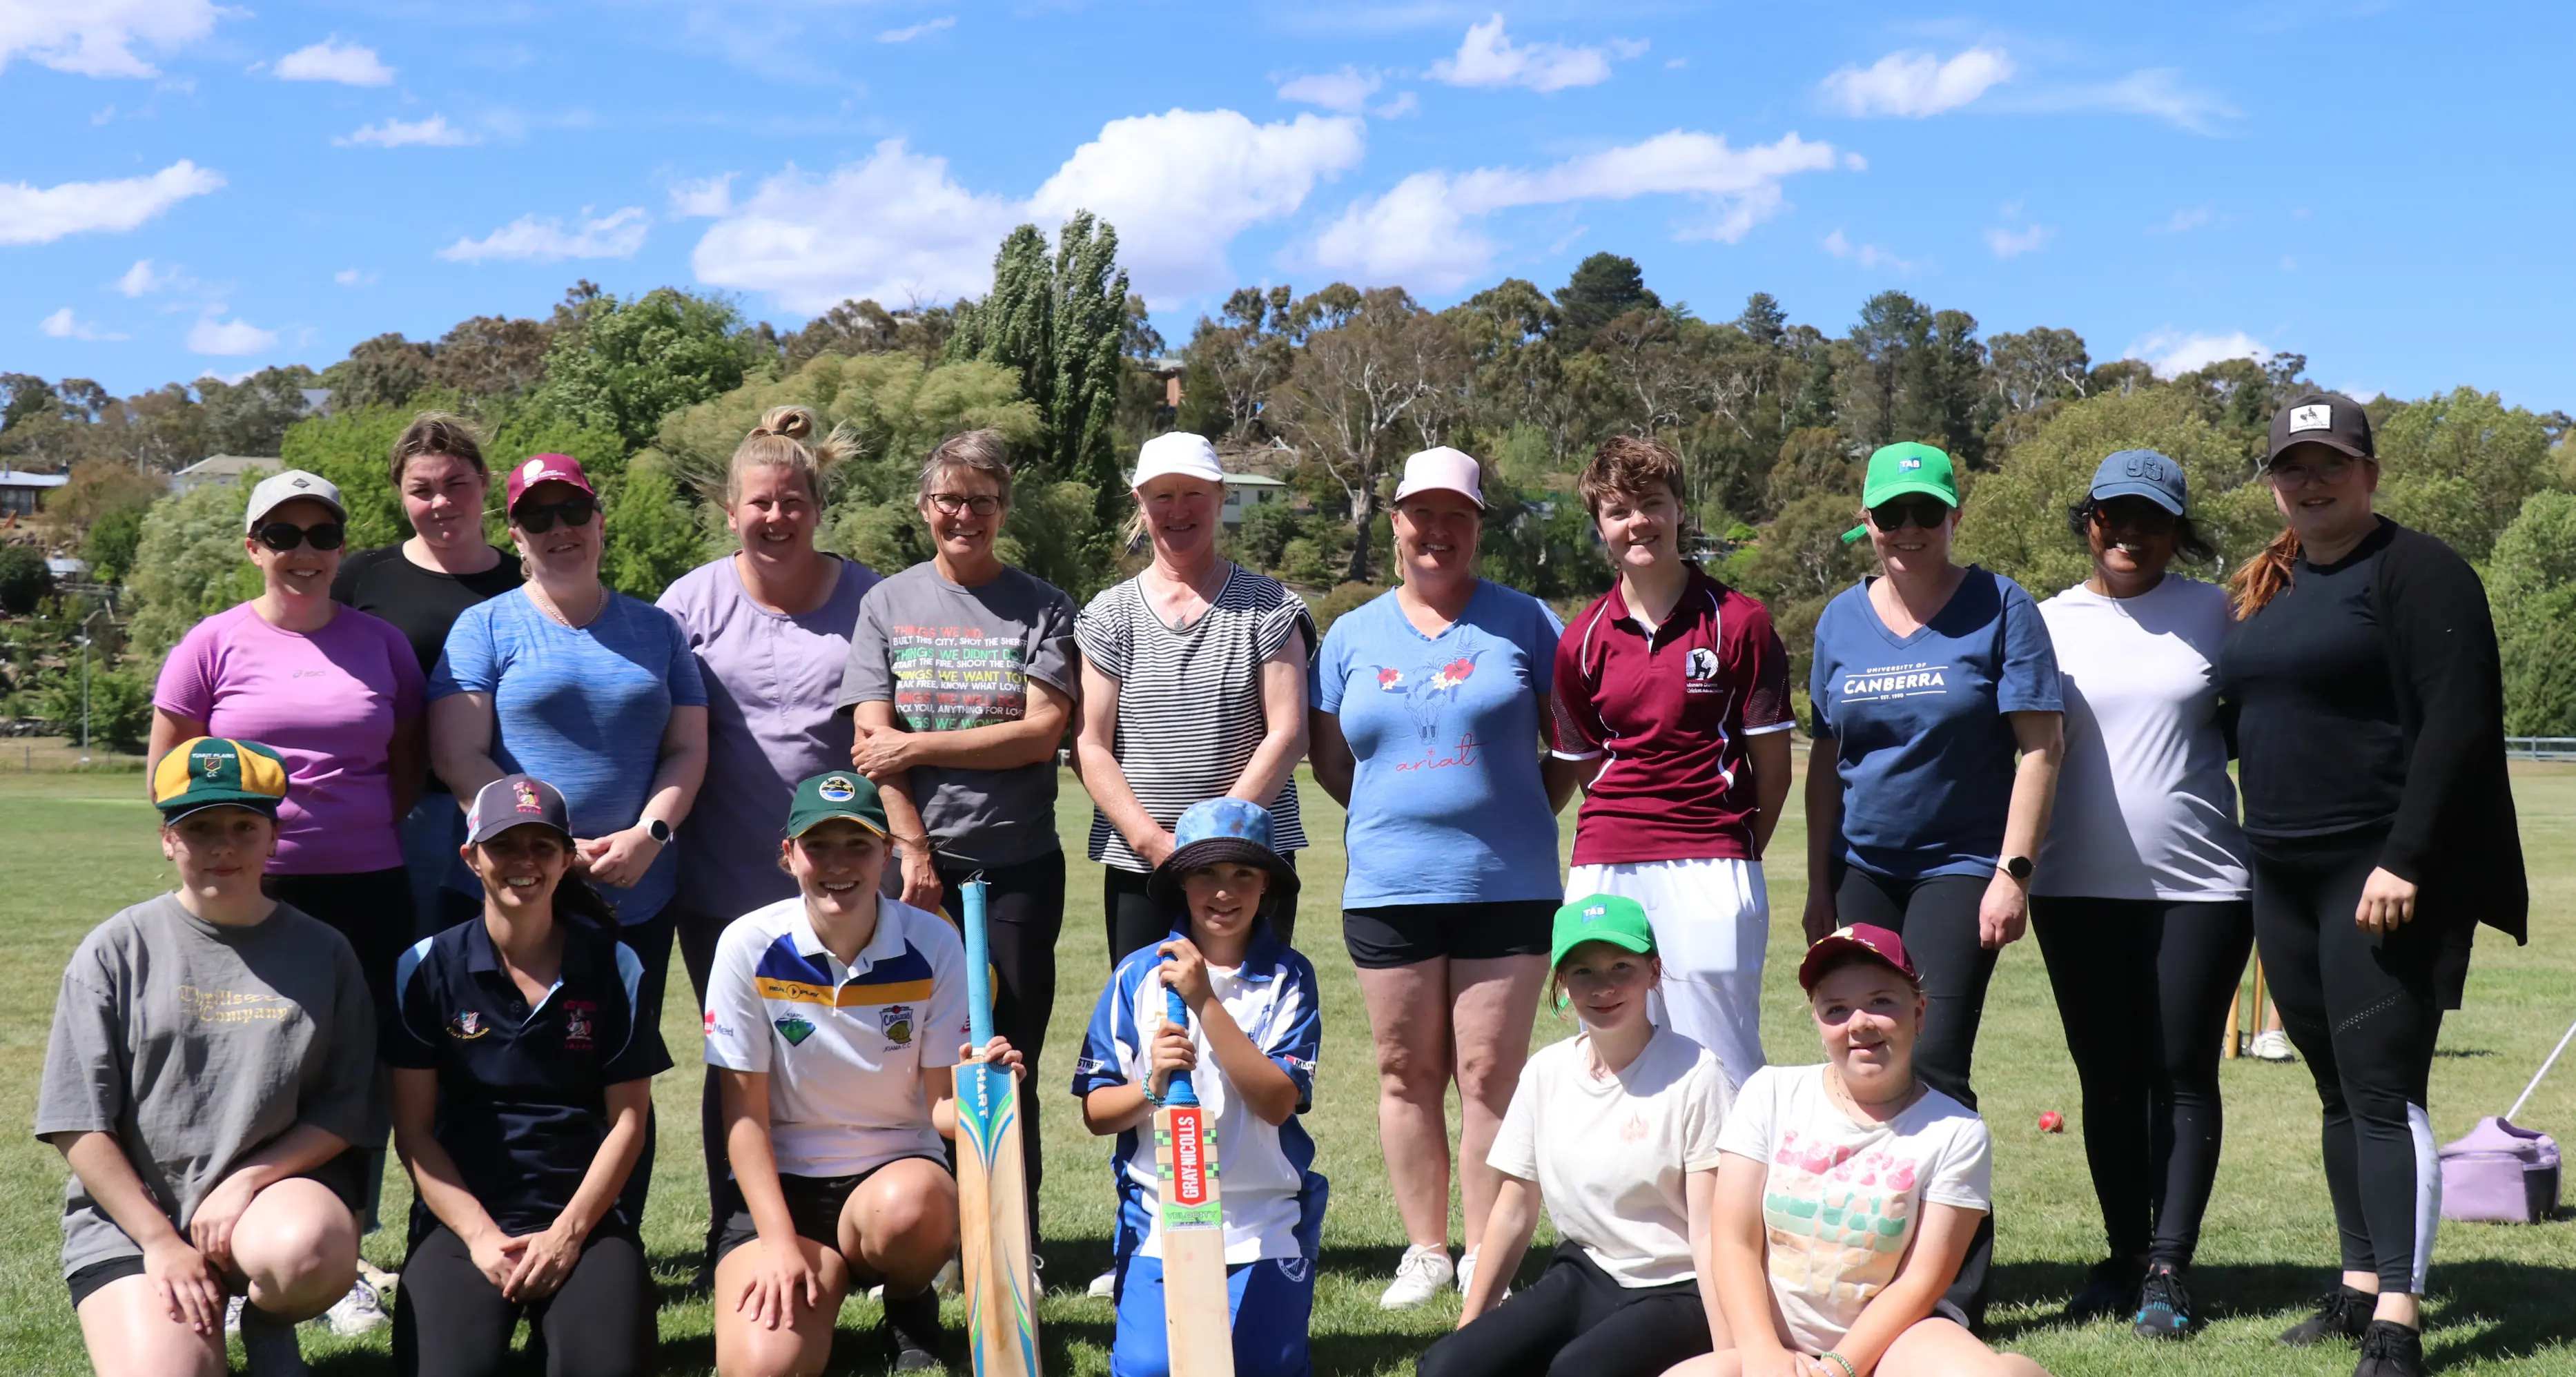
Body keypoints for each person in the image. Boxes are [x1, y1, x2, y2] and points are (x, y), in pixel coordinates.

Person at [2218, 393, 2526, 1377]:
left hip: (2379, 870)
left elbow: (2458, 723)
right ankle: (2357, 1286)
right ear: (2273, 478)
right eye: (2293, 466)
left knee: (2385, 1089)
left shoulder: (2422, 569)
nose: (2311, 482)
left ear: (2370, 471)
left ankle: (2400, 1312)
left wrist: (2407, 856)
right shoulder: (2270, 582)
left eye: (2331, 463)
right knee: (2334, 1089)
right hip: (2282, 864)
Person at [151, 466, 426, 1331]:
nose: (303, 553)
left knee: (357, 1070)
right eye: (283, 536)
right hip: (256, 888)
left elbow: (407, 765)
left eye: (319, 536)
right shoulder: (212, 642)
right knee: (249, 1067)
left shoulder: (381, 645)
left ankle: (340, 1255)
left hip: (369, 884)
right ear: (254, 548)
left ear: (341, 547)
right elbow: (171, 773)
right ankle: (228, 1245)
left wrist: (353, 830)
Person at [1801, 442, 2062, 1326]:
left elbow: (2040, 746)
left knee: (1936, 1061)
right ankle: (1874, 1263)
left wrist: (2011, 874)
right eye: (1891, 515)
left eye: (1926, 512)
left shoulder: (2002, 606)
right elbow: (1829, 757)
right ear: (1867, 523)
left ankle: (1950, 1294)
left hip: (1960, 868)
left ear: (1954, 514)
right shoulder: (1840, 620)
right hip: (1864, 869)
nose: (1908, 530)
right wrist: (1817, 880)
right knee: (1861, 1060)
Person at [1309, 446, 1570, 1309]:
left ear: (1478, 527)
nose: (1438, 532)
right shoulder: (1350, 635)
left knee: (1490, 1074)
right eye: (1421, 514)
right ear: (1395, 524)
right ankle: (1426, 1249)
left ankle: (1485, 1267)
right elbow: (1331, 761)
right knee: (1403, 1070)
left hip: (1508, 882)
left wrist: (1515, 807)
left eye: (1456, 515)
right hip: (1389, 884)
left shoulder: (1528, 621)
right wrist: (1402, 810)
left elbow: (1566, 746)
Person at [39, 738, 375, 1377]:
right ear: (168, 839)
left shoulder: (324, 951)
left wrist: (247, 1180)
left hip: (268, 1204)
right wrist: (162, 1240)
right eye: (200, 828)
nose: (223, 846)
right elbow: (75, 1118)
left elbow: (349, 1103)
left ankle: (267, 1325)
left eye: (244, 827)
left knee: (307, 1250)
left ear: (273, 836)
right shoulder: (115, 949)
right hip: (135, 1218)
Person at [2027, 450, 2252, 1337]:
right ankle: (2123, 1255)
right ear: (2089, 520)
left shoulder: (2218, 611)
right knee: (2108, 1080)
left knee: (2184, 1075)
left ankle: (2169, 1267)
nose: (2129, 535)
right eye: (2113, 516)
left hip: (2202, 887)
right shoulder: (2044, 620)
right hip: (2074, 887)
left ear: (2176, 530)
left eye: (2151, 520)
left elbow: (2250, 727)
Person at [839, 427, 1077, 1252]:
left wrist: (922, 743)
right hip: (910, 872)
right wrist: (912, 851)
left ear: (1003, 509)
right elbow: (872, 738)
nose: (964, 514)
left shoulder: (1044, 605)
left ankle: (1016, 1243)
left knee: (1009, 1060)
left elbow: (1042, 733)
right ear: (924, 507)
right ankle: (938, 1243)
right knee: (915, 1065)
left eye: (982, 500)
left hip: (1015, 867)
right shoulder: (887, 604)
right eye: (950, 499)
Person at [659, 405, 881, 1274]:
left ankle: (865, 1236)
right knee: (739, 1064)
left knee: (851, 1054)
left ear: (819, 505)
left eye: (793, 500)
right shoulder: (689, 604)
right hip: (720, 880)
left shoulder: (871, 600)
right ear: (730, 510)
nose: (776, 517)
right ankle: (740, 1228)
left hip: (845, 885)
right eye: (759, 502)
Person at [703, 770, 1013, 1377]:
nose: (837, 864)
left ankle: (907, 1302)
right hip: (783, 1191)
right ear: (789, 854)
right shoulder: (747, 944)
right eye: (819, 844)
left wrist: (986, 1088)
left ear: (889, 854)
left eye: (859, 844)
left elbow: (940, 1109)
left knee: (913, 1208)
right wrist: (779, 1242)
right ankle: (823, 1271)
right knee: (765, 1368)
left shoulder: (935, 943)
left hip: (894, 1178)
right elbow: (743, 1118)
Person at [1672, 926, 2053, 1377]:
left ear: (1919, 1012)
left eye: (1881, 1001)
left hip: (1895, 1343)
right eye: (1836, 1008)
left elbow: (1921, 1280)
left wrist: (1838, 1367)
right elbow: (1733, 1240)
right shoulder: (1769, 1093)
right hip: (1776, 1348)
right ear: (1816, 1020)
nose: (1860, 1023)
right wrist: (1760, 1352)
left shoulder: (1956, 1132)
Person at [385, 773, 669, 1377]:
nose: (524, 862)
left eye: (542, 847)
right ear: (471, 857)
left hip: (584, 1219)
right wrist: (481, 1236)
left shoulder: (615, 963)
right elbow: (413, 1133)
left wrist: (568, 1233)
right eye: (504, 845)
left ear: (568, 859)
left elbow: (628, 1123)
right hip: (464, 1220)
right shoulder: (425, 966)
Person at [429, 451, 710, 1024]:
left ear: (599, 521)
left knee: (625, 1076)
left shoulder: (659, 629)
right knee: (515, 1076)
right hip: (518, 891)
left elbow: (688, 748)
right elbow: (458, 757)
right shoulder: (483, 627)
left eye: (573, 510)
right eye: (538, 519)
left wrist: (650, 835)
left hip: (637, 893)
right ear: (516, 537)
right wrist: (551, 845)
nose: (559, 528)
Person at [1552, 436, 1795, 1091]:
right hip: (1606, 861)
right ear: (1600, 525)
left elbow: (1774, 769)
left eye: (1653, 504)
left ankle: (1736, 1196)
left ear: (1680, 509)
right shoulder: (1581, 637)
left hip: (1711, 860)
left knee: (1721, 1059)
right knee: (1607, 1055)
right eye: (1619, 510)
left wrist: (1735, 848)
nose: (1639, 522)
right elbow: (1587, 768)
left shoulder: (1741, 621)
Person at [1414, 895, 1731, 1377]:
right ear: (1562, 983)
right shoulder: (1547, 1071)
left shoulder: (1696, 1072)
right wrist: (1471, 1325)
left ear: (1654, 971)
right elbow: (1515, 1207)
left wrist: (1731, 1353)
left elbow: (1713, 1230)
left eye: (1621, 966)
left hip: (1676, 1285)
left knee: (1574, 1372)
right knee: (1446, 1368)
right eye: (1583, 971)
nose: (1603, 987)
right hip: (1585, 1272)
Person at [1074, 798, 1327, 1377]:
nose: (1223, 890)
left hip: (1263, 1216)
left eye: (1243, 873)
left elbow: (1276, 1101)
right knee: (1149, 1369)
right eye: (1207, 872)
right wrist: (1151, 1085)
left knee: (1264, 1367)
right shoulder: (1136, 974)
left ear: (1267, 884)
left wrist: (1204, 1001)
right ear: (1182, 881)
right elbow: (1097, 1111)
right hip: (1163, 1215)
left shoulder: (1290, 976)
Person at [1075, 431, 1313, 960]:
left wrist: (1217, 842)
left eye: (1194, 494)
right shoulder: (1108, 614)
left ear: (1221, 496)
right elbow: (1090, 745)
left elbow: (1289, 732)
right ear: (1140, 502)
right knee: (1152, 1027)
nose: (1178, 511)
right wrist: (1154, 843)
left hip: (1251, 862)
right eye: (1162, 495)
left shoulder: (1269, 605)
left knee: (1252, 1026)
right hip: (1143, 868)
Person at [333, 413, 525, 935]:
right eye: (422, 489)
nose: (441, 502)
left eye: (455, 484)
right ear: (400, 493)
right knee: (404, 965)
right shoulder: (362, 579)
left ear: (484, 481)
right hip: (396, 810)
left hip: (505, 806)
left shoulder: (526, 583)